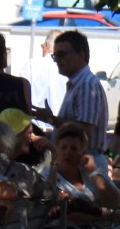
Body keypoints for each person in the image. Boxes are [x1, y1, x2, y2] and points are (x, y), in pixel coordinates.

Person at [32, 30, 110, 171]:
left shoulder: (87, 85)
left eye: (62, 54)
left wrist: (51, 119)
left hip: (85, 165)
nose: (57, 60)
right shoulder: (79, 83)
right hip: (78, 163)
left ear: (81, 55)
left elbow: (83, 131)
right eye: (55, 56)